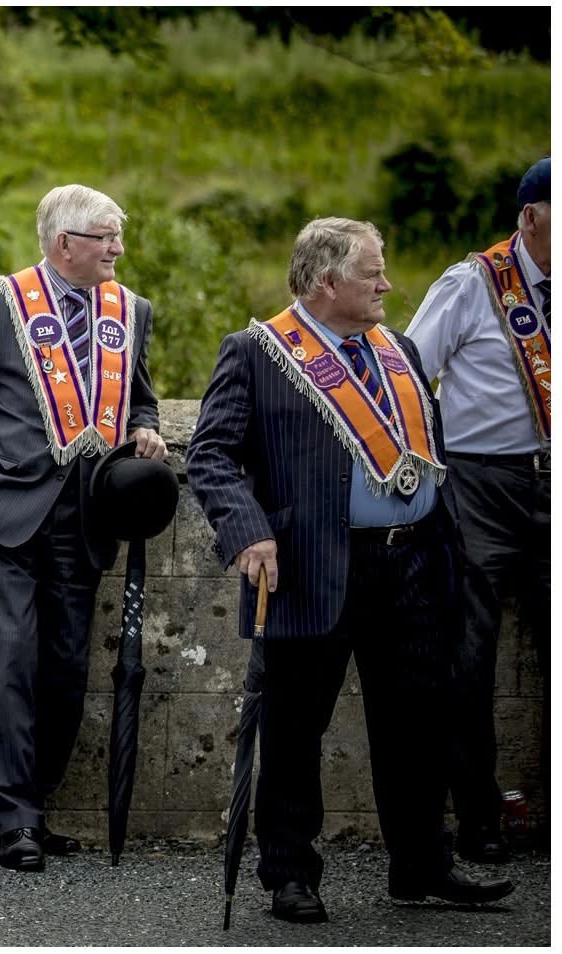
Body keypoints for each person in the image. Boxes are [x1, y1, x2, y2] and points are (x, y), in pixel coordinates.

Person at [187, 217, 514, 923]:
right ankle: (290, 874)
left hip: (413, 561)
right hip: (311, 565)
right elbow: (211, 456)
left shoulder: (397, 349)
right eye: (373, 273)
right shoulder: (256, 352)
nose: (387, 285)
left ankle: (421, 864)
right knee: (295, 727)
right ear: (328, 281)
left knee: (418, 723)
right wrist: (248, 532)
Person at [0, 184, 165, 871]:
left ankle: (30, 803)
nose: (119, 249)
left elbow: (142, 398)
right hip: (4, 509)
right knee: (9, 660)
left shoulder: (133, 311)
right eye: (107, 237)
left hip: (88, 514)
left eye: (118, 236)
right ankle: (18, 820)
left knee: (65, 669)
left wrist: (146, 429)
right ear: (66, 244)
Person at [406, 157, 550, 863]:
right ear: (531, 217)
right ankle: (479, 817)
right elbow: (409, 370)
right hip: (482, 482)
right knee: (469, 654)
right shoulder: (473, 284)